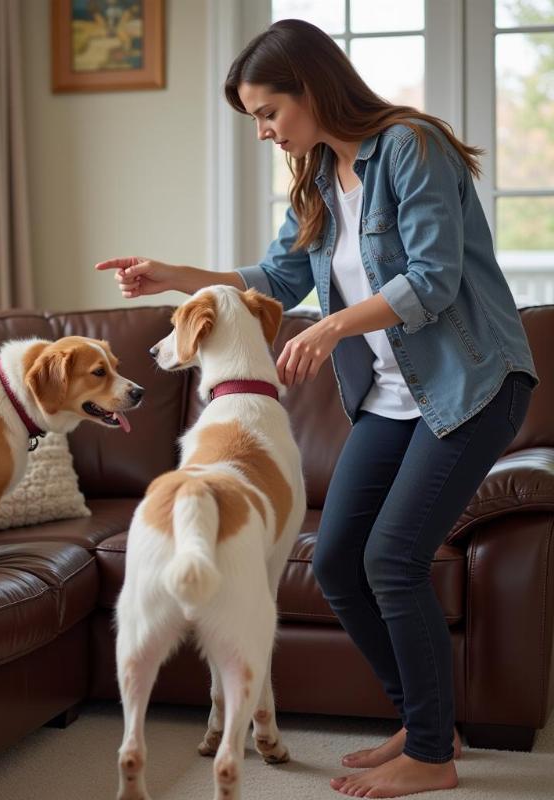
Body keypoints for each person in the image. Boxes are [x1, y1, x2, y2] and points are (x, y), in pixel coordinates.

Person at [95, 18, 538, 799]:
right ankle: (424, 722)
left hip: (472, 387)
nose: (264, 131)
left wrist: (333, 326)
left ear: (311, 88)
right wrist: (174, 277)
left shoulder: (411, 148)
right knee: (336, 563)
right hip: (391, 401)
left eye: (268, 112)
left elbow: (434, 279)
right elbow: (271, 277)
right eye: (255, 119)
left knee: (391, 561)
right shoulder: (318, 181)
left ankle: (433, 755)